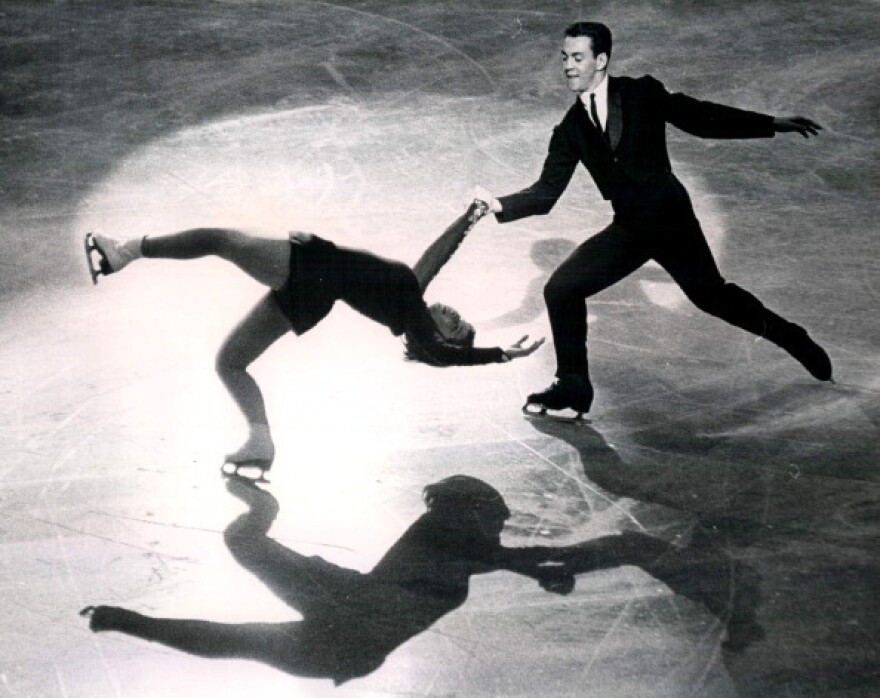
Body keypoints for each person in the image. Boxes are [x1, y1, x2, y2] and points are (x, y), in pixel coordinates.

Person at [475, 21, 832, 418]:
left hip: (670, 219)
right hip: (630, 228)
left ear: (601, 60)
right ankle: (573, 386)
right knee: (561, 289)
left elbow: (699, 117)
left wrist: (770, 124)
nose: (568, 67)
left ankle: (793, 338)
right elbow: (545, 194)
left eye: (578, 58)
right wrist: (498, 206)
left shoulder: (641, 92)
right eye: (565, 58)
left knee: (712, 297)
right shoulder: (571, 128)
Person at [84, 202, 543, 478]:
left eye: (456, 324)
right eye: (459, 318)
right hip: (313, 294)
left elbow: (441, 354)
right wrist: (469, 217)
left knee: (219, 239)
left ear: (443, 340)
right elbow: (434, 259)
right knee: (230, 362)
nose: (453, 313)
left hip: (312, 268)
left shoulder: (415, 322)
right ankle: (260, 440)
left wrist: (499, 354)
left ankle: (124, 251)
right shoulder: (409, 299)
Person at [80, 474, 573, 684]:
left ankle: (128, 621)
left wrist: (539, 569)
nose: (502, 525)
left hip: (347, 630)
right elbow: (494, 555)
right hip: (349, 619)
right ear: (472, 509)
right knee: (238, 629)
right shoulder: (449, 530)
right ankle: (128, 621)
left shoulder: (462, 540)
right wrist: (542, 569)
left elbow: (495, 556)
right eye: (499, 517)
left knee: (238, 636)